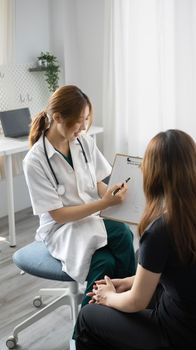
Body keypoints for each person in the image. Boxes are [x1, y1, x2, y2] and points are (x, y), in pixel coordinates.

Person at [75, 129, 196, 350]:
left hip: (179, 337)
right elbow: (178, 272)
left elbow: (136, 302)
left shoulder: (160, 231)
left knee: (88, 316)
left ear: (154, 173)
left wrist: (107, 297)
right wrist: (128, 282)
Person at [23, 85, 135, 306]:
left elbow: (98, 182)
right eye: (79, 120)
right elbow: (59, 216)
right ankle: (130, 306)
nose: (84, 126)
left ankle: (90, 330)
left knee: (105, 262)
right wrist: (104, 203)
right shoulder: (35, 161)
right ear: (57, 117)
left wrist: (111, 193)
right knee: (122, 233)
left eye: (86, 119)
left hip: (89, 220)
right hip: (61, 229)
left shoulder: (83, 142)